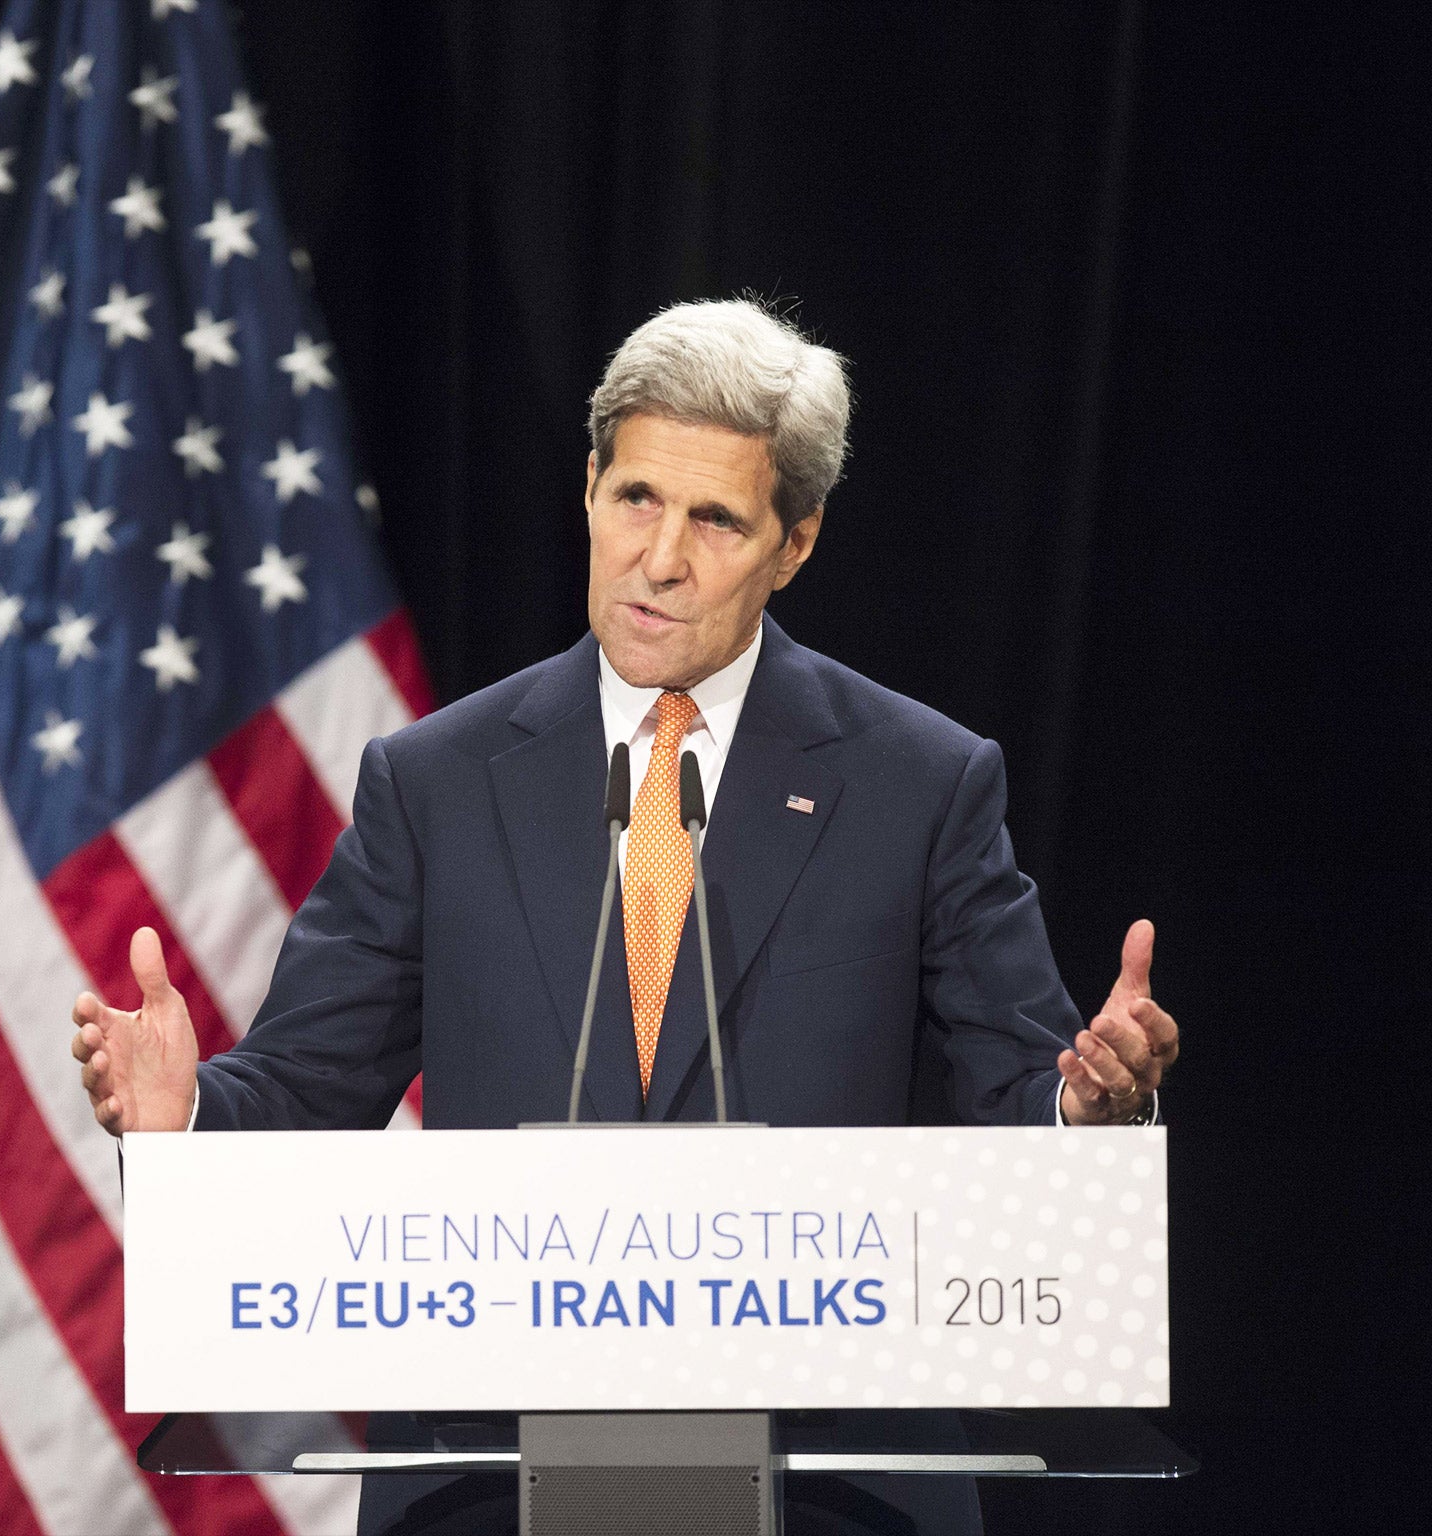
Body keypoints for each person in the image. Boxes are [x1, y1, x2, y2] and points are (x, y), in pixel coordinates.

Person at [73, 299, 1181, 1534]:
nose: (659, 557)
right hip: (495, 1479)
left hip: (823, 1482)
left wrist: (1091, 1107)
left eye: (715, 520)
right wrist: (185, 1115)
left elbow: (1017, 1099)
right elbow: (302, 1087)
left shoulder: (921, 782)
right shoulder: (437, 779)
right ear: (588, 485)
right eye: (636, 498)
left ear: (794, 542)